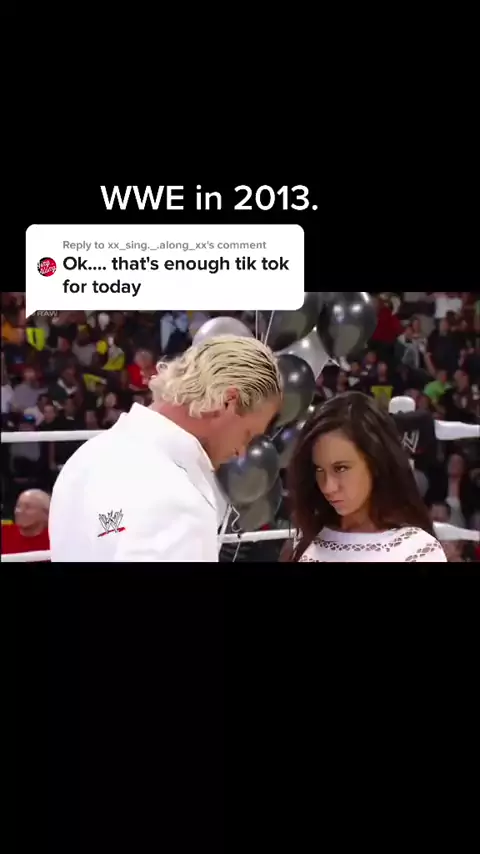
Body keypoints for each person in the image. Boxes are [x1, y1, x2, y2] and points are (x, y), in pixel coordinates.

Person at [48, 336, 282, 562]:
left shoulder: (86, 457)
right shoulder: (179, 499)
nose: (241, 452)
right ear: (227, 401)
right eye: (247, 435)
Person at [282, 391, 447, 563]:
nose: (328, 487)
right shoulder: (307, 535)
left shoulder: (416, 549)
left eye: (341, 468)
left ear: (375, 462)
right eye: (319, 469)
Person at [1, 489, 50, 556]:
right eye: (18, 506)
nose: (20, 511)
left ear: (46, 513)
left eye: (28, 507)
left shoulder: (55, 540)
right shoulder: (4, 533)